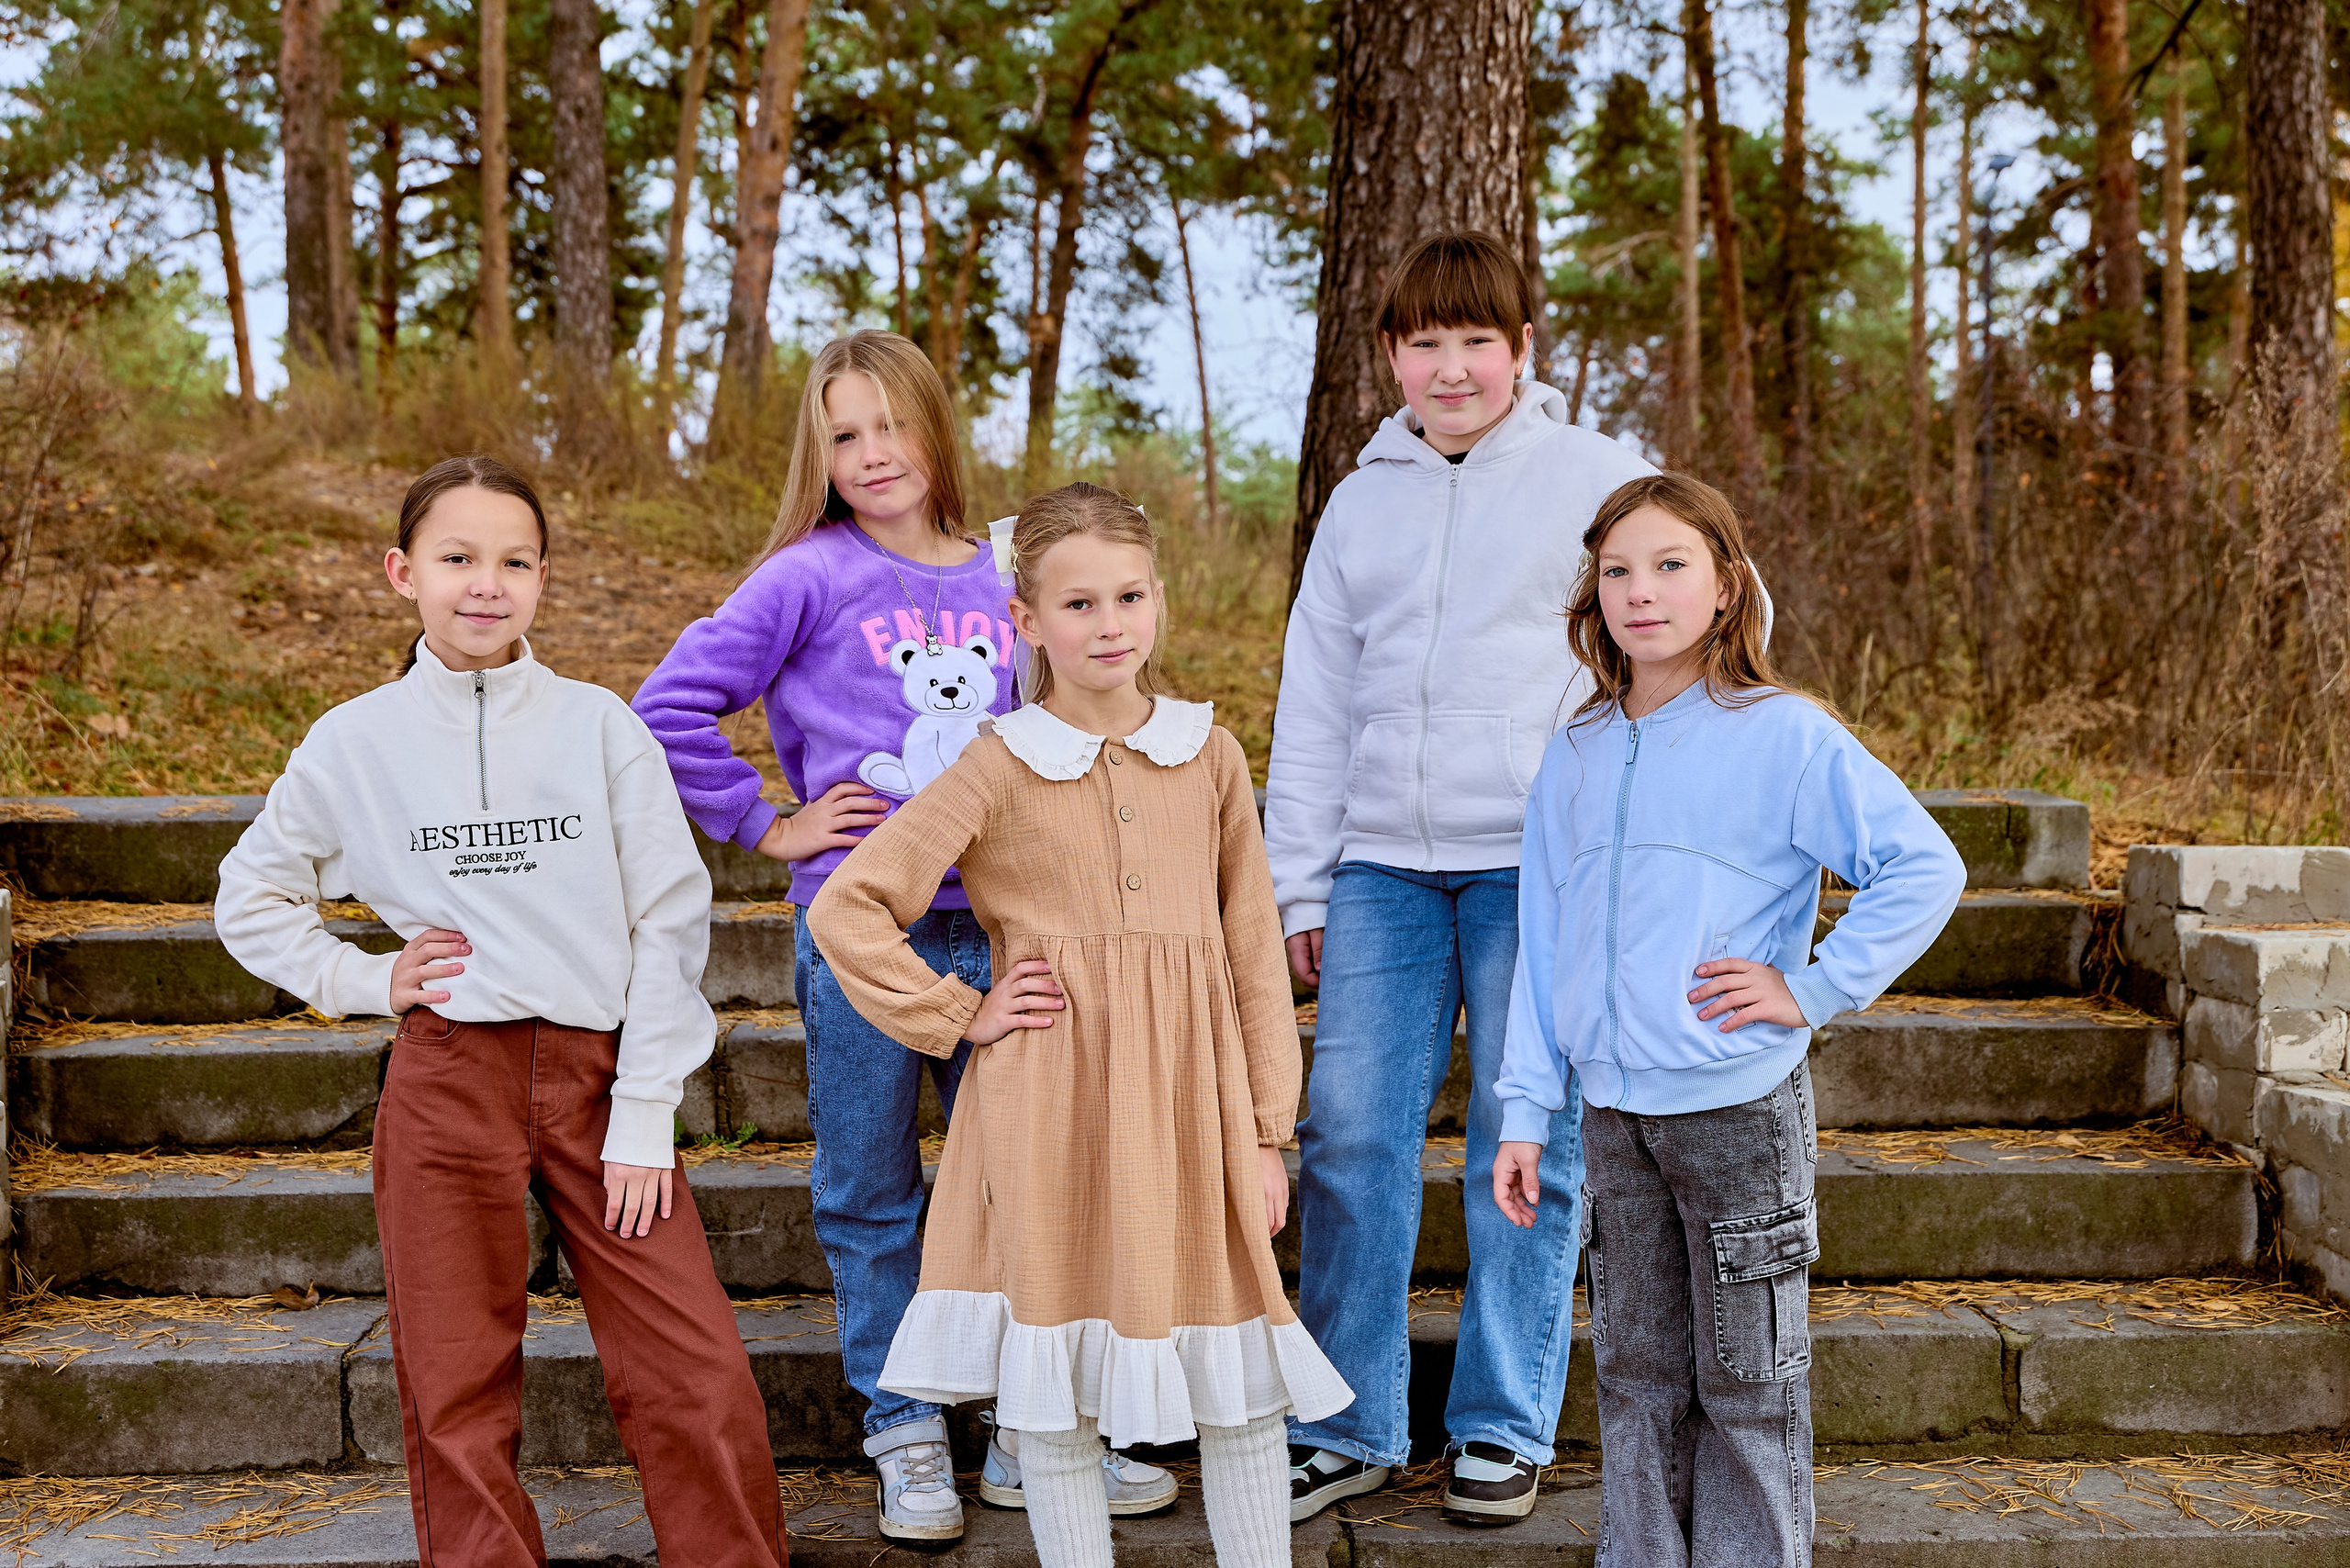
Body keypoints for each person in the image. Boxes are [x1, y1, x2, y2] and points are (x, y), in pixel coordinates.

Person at [631, 331, 1173, 1540]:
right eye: (844, 434)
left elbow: (1073, 719)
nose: (873, 454)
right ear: (818, 455)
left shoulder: (1005, 573)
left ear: (937, 427)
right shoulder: (803, 577)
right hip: (863, 939)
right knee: (871, 1189)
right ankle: (907, 1430)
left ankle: (1036, 1432)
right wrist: (768, 827)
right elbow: (665, 705)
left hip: (1008, 936)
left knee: (1024, 1179)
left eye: (891, 425)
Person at [215, 454, 787, 1568]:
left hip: (600, 1074)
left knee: (693, 1362)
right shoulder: (354, 739)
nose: (486, 583)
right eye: (457, 558)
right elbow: (251, 895)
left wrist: (644, 1108)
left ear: (542, 579)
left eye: (514, 561)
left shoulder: (598, 726)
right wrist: (363, 979)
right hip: (447, 1083)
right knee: (454, 1375)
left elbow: (671, 918)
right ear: (403, 572)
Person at [808, 483, 1352, 1568]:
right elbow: (847, 905)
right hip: (1046, 1107)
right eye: (1079, 603)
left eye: (1130, 596)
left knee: (1238, 1381)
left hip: (1194, 1111)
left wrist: (1263, 1132)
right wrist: (962, 1012)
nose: (1109, 625)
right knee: (1052, 1389)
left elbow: (1251, 956)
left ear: (1157, 601)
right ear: (1024, 620)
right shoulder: (996, 761)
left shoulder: (1211, 756)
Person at [1267, 230, 1712, 1523]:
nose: (1451, 367)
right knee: (1350, 1138)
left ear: (1524, 350)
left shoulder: (1599, 478)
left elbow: (1710, 606)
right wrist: (1303, 885)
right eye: (1425, 342)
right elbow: (1315, 698)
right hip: (1383, 876)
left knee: (1529, 1144)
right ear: (1392, 355)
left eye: (1478, 341)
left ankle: (1503, 1424)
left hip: (1541, 869)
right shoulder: (1362, 499)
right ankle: (1348, 1423)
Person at [1491, 473, 1964, 1565]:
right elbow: (1545, 946)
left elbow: (1921, 866)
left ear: (1725, 587)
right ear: (1591, 593)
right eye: (1616, 570)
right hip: (1611, 1118)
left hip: (1737, 1115)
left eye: (1670, 567)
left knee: (1748, 1387)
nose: (1640, 592)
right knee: (1637, 1380)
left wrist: (1812, 985)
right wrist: (1526, 1108)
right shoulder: (1574, 753)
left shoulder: (1781, 736)